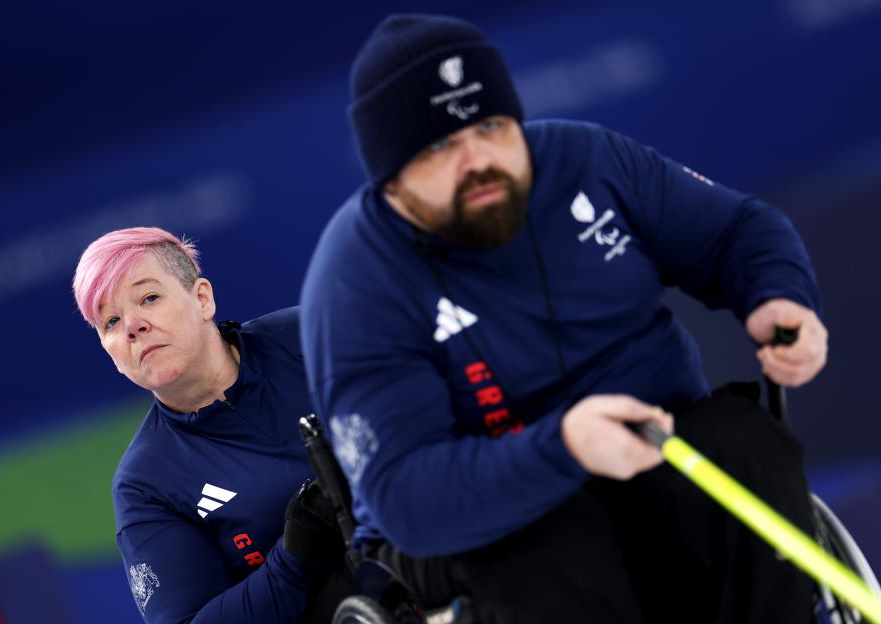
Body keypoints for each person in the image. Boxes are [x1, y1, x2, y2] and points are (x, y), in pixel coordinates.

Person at [299, 14, 829, 624]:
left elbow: (736, 231)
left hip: (654, 438)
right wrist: (567, 447)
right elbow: (408, 496)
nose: (480, 161)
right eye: (441, 145)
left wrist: (776, 294)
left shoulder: (587, 160)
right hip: (480, 507)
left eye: (493, 127)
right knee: (554, 548)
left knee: (745, 446)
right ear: (389, 178)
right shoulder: (355, 282)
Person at [72, 227, 348, 623]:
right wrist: (295, 558)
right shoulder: (146, 485)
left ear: (202, 298)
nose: (132, 326)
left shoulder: (312, 336)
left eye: (149, 298)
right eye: (111, 322)